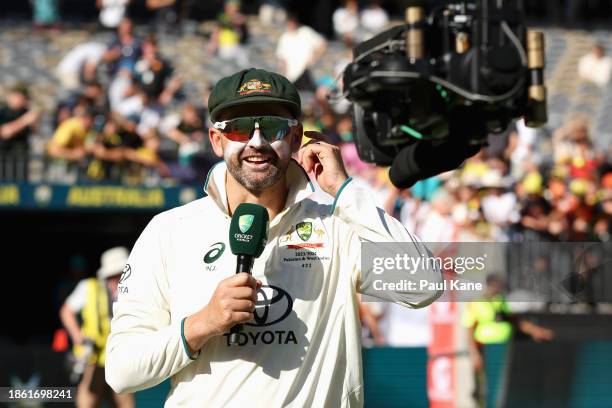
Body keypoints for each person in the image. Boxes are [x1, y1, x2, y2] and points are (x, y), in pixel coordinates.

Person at [105, 68, 442, 406]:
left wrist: (344, 191)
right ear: (216, 140)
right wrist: (201, 324)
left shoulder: (338, 225)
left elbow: (425, 284)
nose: (256, 142)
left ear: (296, 139)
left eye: (272, 127)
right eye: (238, 129)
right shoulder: (169, 230)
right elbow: (121, 372)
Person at [463, 274, 554, 407]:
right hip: (487, 350)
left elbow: (513, 320)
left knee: (502, 386)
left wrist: (534, 330)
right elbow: (469, 329)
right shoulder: (476, 303)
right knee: (485, 388)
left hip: (503, 348)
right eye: (496, 286)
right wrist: (474, 353)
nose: (498, 289)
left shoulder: (500, 301)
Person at [60, 247, 135, 408]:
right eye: (116, 275)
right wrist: (78, 338)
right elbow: (66, 311)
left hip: (120, 361)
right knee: (87, 403)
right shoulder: (88, 287)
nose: (119, 279)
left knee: (126, 404)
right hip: (92, 360)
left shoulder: (131, 292)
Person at [276, 14, 327, 91]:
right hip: (292, 77)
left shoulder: (306, 32)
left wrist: (315, 57)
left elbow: (322, 44)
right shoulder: (284, 38)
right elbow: (281, 58)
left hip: (307, 72)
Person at [0, 83, 40, 180]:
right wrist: (24, 121)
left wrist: (35, 121)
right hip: (5, 156)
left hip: (21, 156)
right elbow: (5, 133)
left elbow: (34, 132)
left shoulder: (25, 112)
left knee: (21, 186)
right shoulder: (3, 112)